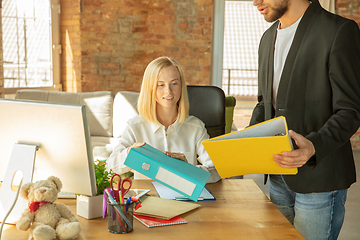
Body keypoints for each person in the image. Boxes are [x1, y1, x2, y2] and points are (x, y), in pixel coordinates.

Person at [251, 0, 360, 239]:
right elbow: (264, 104)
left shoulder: (338, 31)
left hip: (320, 181)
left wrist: (314, 145)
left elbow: (350, 111)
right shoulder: (267, 38)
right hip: (278, 176)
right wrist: (242, 144)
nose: (255, 2)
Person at [107, 56, 221, 183]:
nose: (168, 91)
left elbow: (216, 171)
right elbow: (110, 167)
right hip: (148, 199)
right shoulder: (135, 126)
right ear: (150, 89)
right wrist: (129, 153)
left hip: (185, 200)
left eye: (174, 83)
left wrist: (188, 169)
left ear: (181, 86)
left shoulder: (196, 127)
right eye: (160, 85)